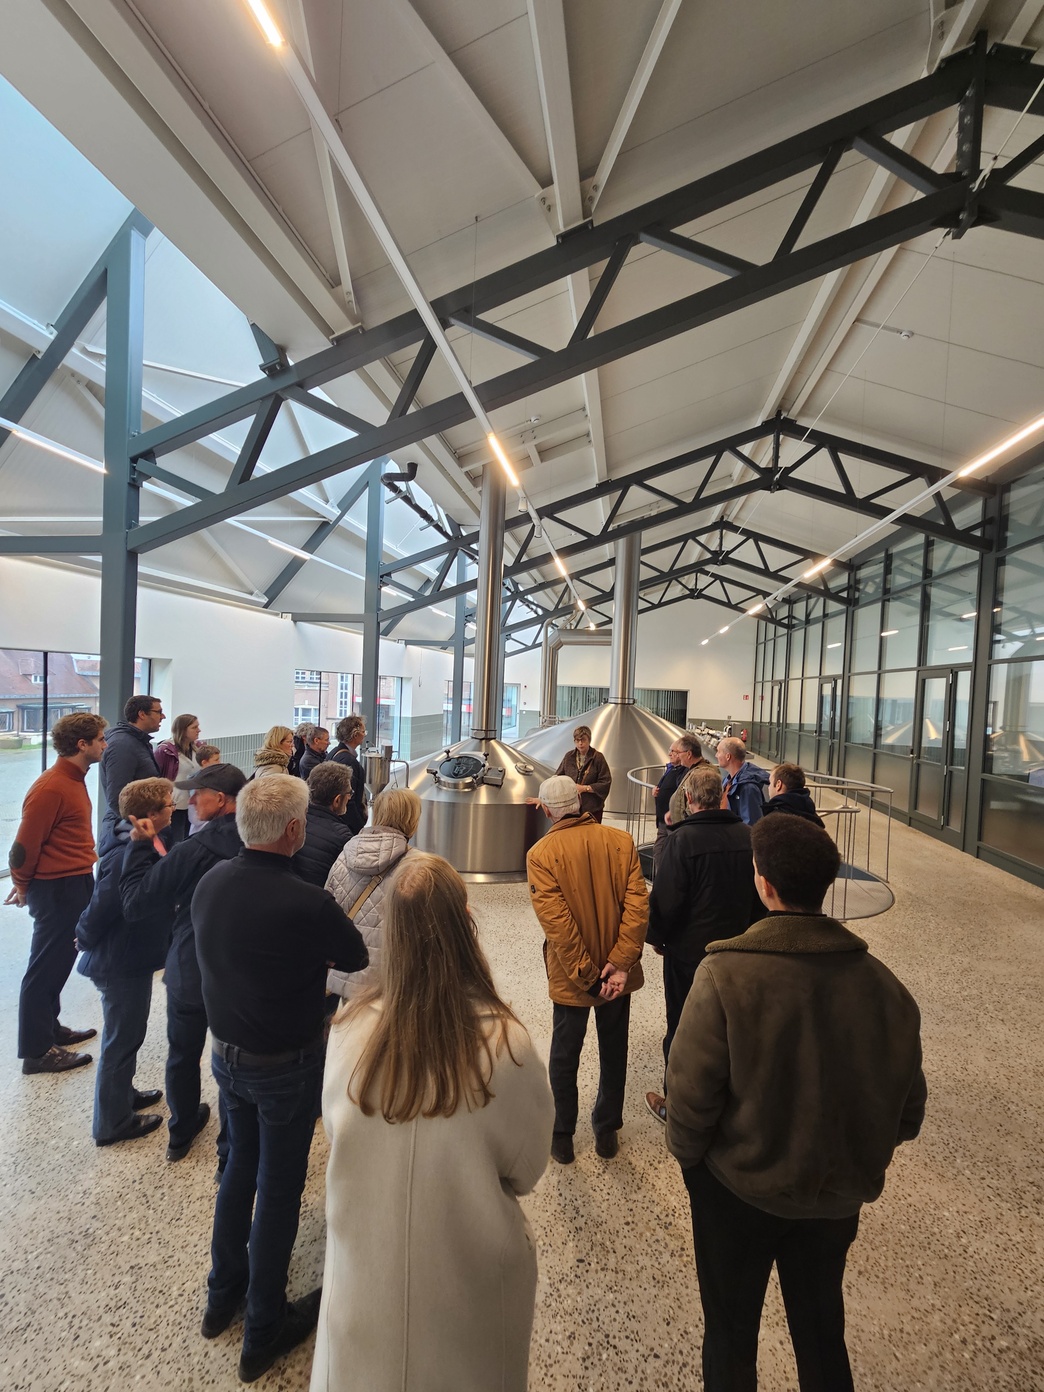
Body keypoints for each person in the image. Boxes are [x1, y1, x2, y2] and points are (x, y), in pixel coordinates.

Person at [666, 815, 927, 1392]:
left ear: (763, 884)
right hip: (835, 1201)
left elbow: (689, 1100)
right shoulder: (888, 989)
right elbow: (908, 1115)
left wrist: (692, 1165)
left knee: (731, 1335)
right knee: (822, 1333)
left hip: (736, 1194)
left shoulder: (724, 975)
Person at [311, 852, 553, 1392]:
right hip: (468, 1289)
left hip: (363, 1289)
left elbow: (335, 1129)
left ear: (392, 932)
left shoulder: (348, 1028)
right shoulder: (506, 1043)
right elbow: (527, 1166)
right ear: (466, 921)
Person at [193, 775, 367, 1384]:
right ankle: (264, 1326)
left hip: (227, 1057)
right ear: (294, 830)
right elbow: (354, 955)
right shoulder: (306, 902)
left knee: (238, 1168)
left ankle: (222, 1295)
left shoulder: (211, 883)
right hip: (285, 1066)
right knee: (278, 1185)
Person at [120, 762, 247, 1163]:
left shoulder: (191, 851)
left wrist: (139, 846)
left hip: (189, 969)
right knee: (232, 1062)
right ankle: (231, 1147)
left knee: (182, 1055)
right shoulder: (256, 843)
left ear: (220, 800)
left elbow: (135, 903)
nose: (189, 801)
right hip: (236, 974)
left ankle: (181, 1132)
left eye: (198, 794)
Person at [526, 774, 648, 1164]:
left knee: (565, 1053)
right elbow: (638, 909)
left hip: (572, 976)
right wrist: (620, 964)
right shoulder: (621, 841)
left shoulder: (541, 855)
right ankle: (607, 1130)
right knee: (614, 1049)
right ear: (579, 806)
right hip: (618, 977)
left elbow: (558, 926)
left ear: (547, 812)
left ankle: (562, 1134)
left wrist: (588, 977)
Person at [644, 764, 759, 1123]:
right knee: (731, 1027)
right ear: (723, 796)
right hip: (739, 953)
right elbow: (760, 900)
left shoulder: (682, 841)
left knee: (683, 1025)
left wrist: (657, 938)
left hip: (689, 956)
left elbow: (666, 900)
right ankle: (730, 1104)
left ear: (688, 798)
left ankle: (677, 1105)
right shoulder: (750, 837)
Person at [6, 712, 106, 1074]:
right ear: (82, 744)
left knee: (60, 962)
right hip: (57, 888)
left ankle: (50, 1029)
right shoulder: (51, 787)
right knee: (45, 968)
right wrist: (22, 885)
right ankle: (37, 1052)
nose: (105, 745)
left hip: (73, 881)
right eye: (100, 739)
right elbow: (22, 848)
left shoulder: (73, 779)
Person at [76, 777, 174, 1145]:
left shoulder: (146, 841)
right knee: (121, 1040)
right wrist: (83, 936)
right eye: (169, 804)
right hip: (119, 960)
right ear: (149, 815)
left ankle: (122, 1095)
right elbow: (103, 904)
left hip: (133, 955)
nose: (174, 807)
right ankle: (112, 1123)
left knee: (130, 1035)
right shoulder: (125, 853)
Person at [324, 786, 420, 999]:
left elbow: (326, 911)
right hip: (390, 981)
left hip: (345, 974)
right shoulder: (417, 866)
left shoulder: (345, 854)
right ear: (412, 819)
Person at [98, 694, 163, 842]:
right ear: (142, 714)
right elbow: (117, 798)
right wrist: (138, 829)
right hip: (129, 833)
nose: (163, 717)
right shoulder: (122, 745)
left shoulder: (137, 740)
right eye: (158, 712)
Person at [292, 762, 353, 887]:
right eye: (349, 793)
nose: (350, 797)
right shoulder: (342, 836)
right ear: (337, 800)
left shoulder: (294, 821)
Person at [652, 732, 706, 871]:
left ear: (688, 754)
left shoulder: (698, 772)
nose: (671, 754)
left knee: (675, 858)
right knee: (659, 852)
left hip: (680, 824)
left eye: (677, 752)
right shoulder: (678, 770)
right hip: (668, 820)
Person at [154, 713, 202, 843]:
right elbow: (157, 778)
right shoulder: (164, 750)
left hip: (193, 803)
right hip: (175, 805)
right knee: (176, 841)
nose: (199, 730)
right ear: (183, 730)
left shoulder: (197, 748)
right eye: (194, 727)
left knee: (190, 840)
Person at [553, 725, 611, 822]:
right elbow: (558, 777)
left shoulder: (598, 757)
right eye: (577, 740)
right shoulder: (569, 757)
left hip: (592, 809)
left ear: (589, 740)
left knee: (591, 831)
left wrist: (585, 788)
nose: (580, 743)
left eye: (583, 739)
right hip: (571, 809)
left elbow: (605, 782)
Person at [715, 736, 769, 825]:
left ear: (728, 756)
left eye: (718, 751)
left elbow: (751, 824)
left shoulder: (748, 787)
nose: (716, 755)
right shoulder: (728, 780)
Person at [328, 714, 367, 834]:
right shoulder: (348, 760)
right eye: (363, 732)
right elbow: (349, 799)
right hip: (346, 824)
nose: (365, 735)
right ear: (355, 734)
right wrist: (359, 828)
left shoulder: (334, 752)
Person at [763, 762, 826, 827]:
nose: (768, 787)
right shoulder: (813, 816)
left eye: (770, 783)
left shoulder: (772, 821)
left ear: (778, 785)